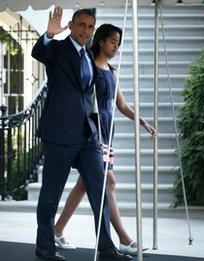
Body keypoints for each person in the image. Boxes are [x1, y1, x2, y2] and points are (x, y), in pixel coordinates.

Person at [31, 7, 131, 261]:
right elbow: (39, 52)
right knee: (51, 194)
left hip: (88, 134)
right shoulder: (58, 50)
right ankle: (44, 247)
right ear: (72, 25)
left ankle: (106, 247)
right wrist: (49, 35)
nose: (86, 30)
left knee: (100, 191)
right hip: (60, 133)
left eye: (90, 26)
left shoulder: (89, 55)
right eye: (82, 25)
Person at [53, 23, 156, 255]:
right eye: (113, 42)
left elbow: (121, 105)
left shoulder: (113, 71)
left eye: (118, 44)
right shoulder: (87, 65)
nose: (116, 47)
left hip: (108, 132)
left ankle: (57, 228)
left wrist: (143, 122)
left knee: (85, 185)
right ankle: (124, 238)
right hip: (92, 130)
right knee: (107, 182)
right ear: (101, 41)